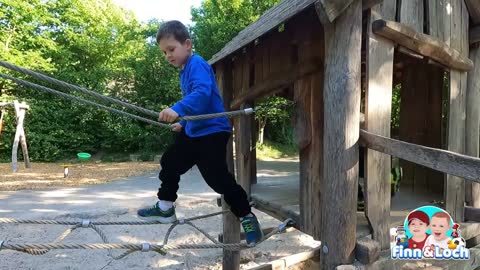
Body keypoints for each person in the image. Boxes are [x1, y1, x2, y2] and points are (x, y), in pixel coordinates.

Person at [136, 20, 263, 245]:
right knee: (170, 161)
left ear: (187, 44)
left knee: (217, 179)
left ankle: (247, 215)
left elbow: (203, 94)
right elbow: (197, 107)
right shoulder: (184, 72)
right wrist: (184, 124)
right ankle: (165, 206)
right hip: (194, 132)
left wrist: (177, 109)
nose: (168, 56)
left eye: (171, 49)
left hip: (212, 132)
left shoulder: (197, 64)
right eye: (164, 52)